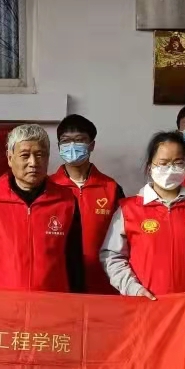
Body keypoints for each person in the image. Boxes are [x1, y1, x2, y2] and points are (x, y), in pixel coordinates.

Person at [100, 131, 185, 363]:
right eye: (163, 163)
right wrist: (134, 289)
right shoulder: (129, 209)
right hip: (143, 316)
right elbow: (111, 256)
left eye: (178, 162)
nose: (170, 169)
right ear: (150, 167)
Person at [0, 124, 85, 293]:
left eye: (40, 155)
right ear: (10, 158)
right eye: (25, 155)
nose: (33, 163)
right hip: (2, 302)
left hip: (53, 302)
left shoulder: (66, 201)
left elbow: (74, 261)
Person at [47, 114, 125, 294]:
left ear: (92, 145)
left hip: (103, 282)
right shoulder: (48, 187)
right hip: (59, 283)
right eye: (66, 141)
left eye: (79, 140)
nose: (72, 145)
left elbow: (123, 239)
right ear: (59, 146)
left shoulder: (111, 188)